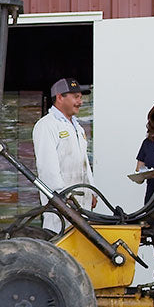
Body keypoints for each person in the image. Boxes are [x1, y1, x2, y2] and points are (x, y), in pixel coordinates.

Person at [31, 77, 95, 233]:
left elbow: (84, 162)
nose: (80, 101)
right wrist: (60, 196)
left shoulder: (77, 127)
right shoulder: (47, 125)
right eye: (75, 97)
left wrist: (92, 191)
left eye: (80, 97)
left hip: (80, 200)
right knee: (59, 244)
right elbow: (47, 167)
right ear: (59, 97)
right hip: (62, 203)